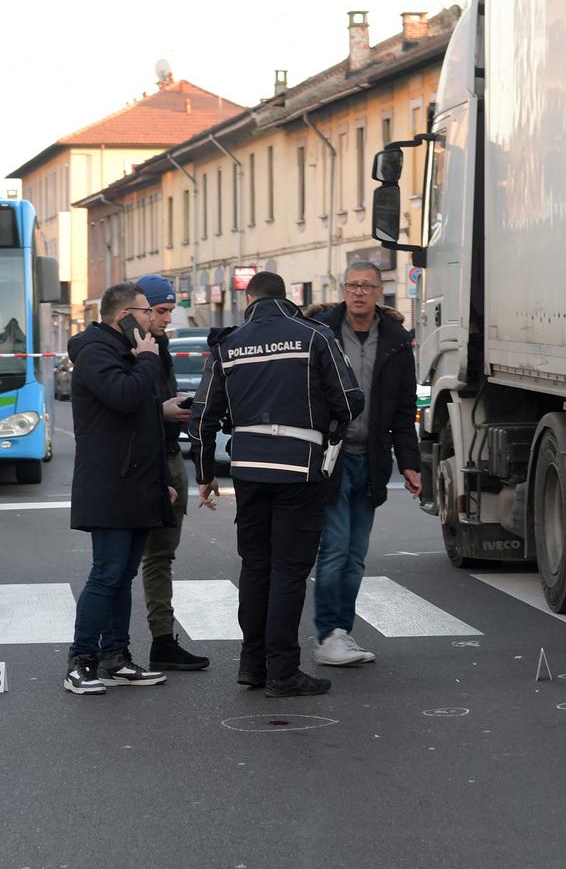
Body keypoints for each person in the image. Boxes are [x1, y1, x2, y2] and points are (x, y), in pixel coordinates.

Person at [189, 272, 363, 697]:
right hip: (299, 468)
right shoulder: (314, 336)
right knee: (289, 568)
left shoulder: (227, 345)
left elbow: (202, 417)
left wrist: (205, 473)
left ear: (248, 298)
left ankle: (252, 665)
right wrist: (329, 426)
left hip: (247, 468)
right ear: (288, 298)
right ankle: (283, 670)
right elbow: (349, 398)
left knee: (255, 566)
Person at [308, 262, 421, 666]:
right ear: (343, 289)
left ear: (379, 292)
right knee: (335, 548)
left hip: (370, 459)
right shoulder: (320, 332)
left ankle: (341, 631)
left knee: (356, 554)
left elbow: (404, 407)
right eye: (353, 285)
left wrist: (410, 462)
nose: (359, 292)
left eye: (367, 286)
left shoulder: (394, 339)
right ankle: (327, 634)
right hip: (331, 457)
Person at [63, 281, 173, 695]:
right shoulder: (95, 352)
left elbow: (142, 423)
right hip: (109, 483)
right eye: (146, 312)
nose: (152, 320)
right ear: (123, 316)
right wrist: (148, 359)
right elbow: (125, 397)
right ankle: (82, 659)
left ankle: (117, 656)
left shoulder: (124, 351)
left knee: (123, 574)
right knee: (106, 574)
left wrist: (163, 481)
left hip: (138, 482)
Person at [134, 274, 210, 672]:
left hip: (169, 454)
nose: (166, 319)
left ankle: (162, 641)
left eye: (168, 311)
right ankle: (114, 649)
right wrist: (159, 411)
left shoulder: (160, 344)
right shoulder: (125, 347)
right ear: (140, 310)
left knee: (161, 555)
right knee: (125, 562)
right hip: (145, 463)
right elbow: (118, 409)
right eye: (161, 312)